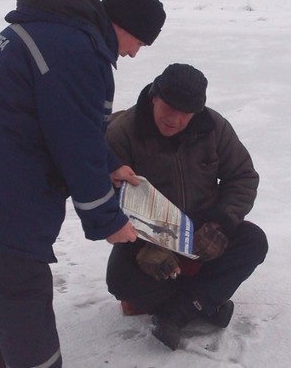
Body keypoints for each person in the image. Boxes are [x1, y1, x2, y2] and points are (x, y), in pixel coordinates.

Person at [0, 0, 166, 368]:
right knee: (21, 312)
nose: (134, 53)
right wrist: (107, 219)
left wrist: (110, 165)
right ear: (125, 25)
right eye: (140, 41)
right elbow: (73, 141)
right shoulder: (77, 50)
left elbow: (61, 121)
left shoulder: (54, 31)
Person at [105, 63, 268, 350]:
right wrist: (144, 243)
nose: (176, 119)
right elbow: (106, 196)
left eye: (187, 112)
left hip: (204, 232)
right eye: (169, 107)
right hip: (148, 236)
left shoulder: (214, 127)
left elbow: (242, 176)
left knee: (253, 242)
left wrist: (221, 224)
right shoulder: (123, 132)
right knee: (120, 281)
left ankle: (179, 311)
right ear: (154, 96)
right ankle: (205, 301)